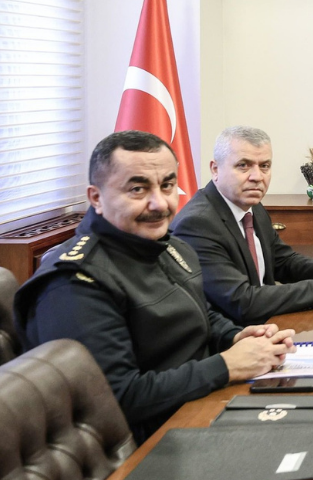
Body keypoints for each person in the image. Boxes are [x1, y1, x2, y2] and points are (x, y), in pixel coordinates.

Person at [13, 131, 296, 443]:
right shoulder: (74, 284)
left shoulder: (167, 246)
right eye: (138, 189)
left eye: (167, 186)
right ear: (96, 198)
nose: (159, 203)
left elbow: (197, 313)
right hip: (152, 442)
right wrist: (226, 365)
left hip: (201, 405)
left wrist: (235, 336)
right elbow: (117, 398)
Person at [171, 126, 313, 326]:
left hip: (266, 327)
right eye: (243, 165)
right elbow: (242, 302)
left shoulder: (253, 207)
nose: (257, 177)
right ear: (215, 169)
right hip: (231, 337)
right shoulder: (197, 224)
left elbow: (283, 261)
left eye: (264, 166)